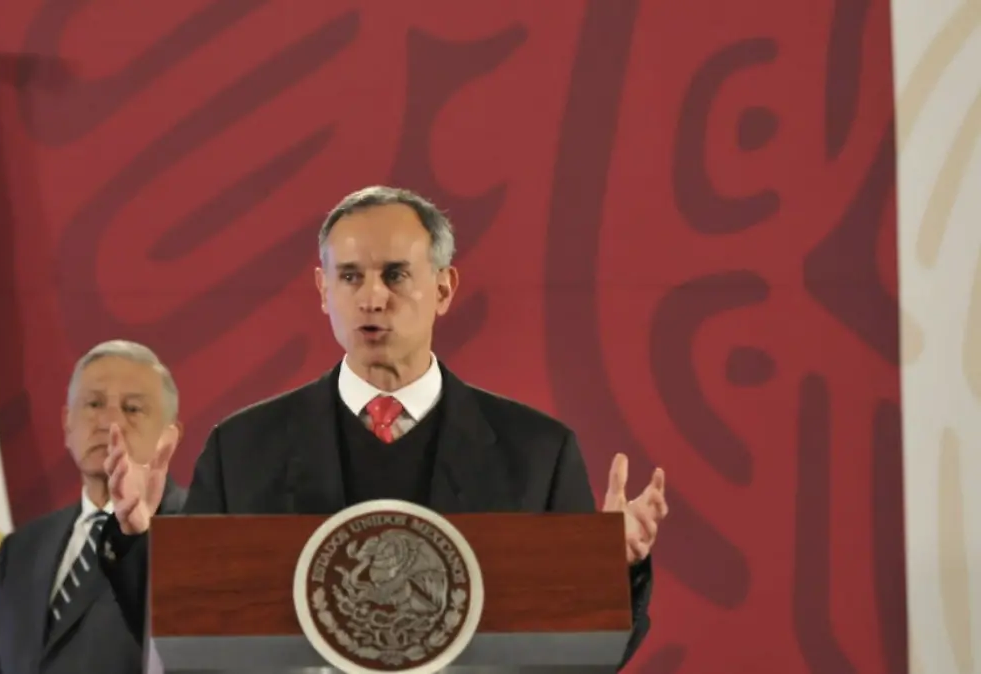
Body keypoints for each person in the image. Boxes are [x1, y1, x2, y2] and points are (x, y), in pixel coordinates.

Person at [100, 186, 669, 668]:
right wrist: (137, 540)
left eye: (396, 275)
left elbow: (580, 658)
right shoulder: (242, 449)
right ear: (324, 292)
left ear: (443, 289)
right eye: (350, 276)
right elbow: (189, 641)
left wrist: (614, 572)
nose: (372, 298)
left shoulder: (538, 452)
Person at [0, 340, 188, 674]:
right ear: (67, 424)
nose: (109, 423)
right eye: (94, 404)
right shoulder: (21, 549)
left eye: (132, 409)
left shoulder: (197, 531)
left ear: (170, 437)